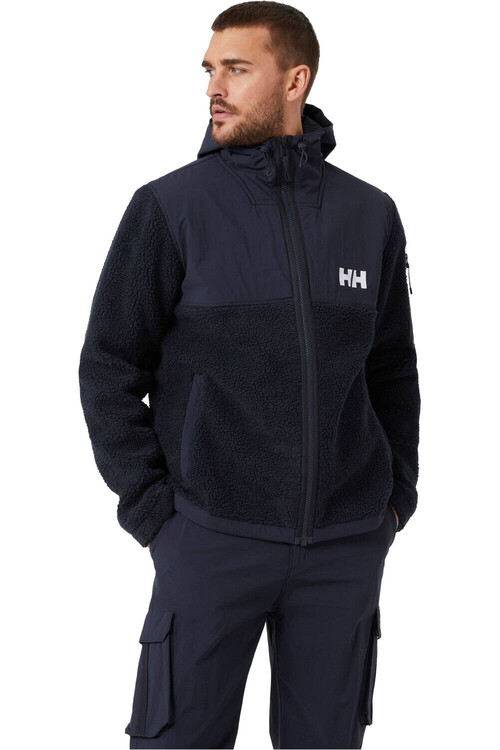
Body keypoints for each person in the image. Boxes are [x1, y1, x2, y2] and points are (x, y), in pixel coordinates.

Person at [78, 2, 420, 748]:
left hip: (346, 546)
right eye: (210, 70)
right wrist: (155, 513)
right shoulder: (170, 207)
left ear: (295, 80)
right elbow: (108, 365)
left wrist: (395, 498)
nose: (214, 88)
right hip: (208, 539)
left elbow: (393, 367)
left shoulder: (370, 214)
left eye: (236, 69)